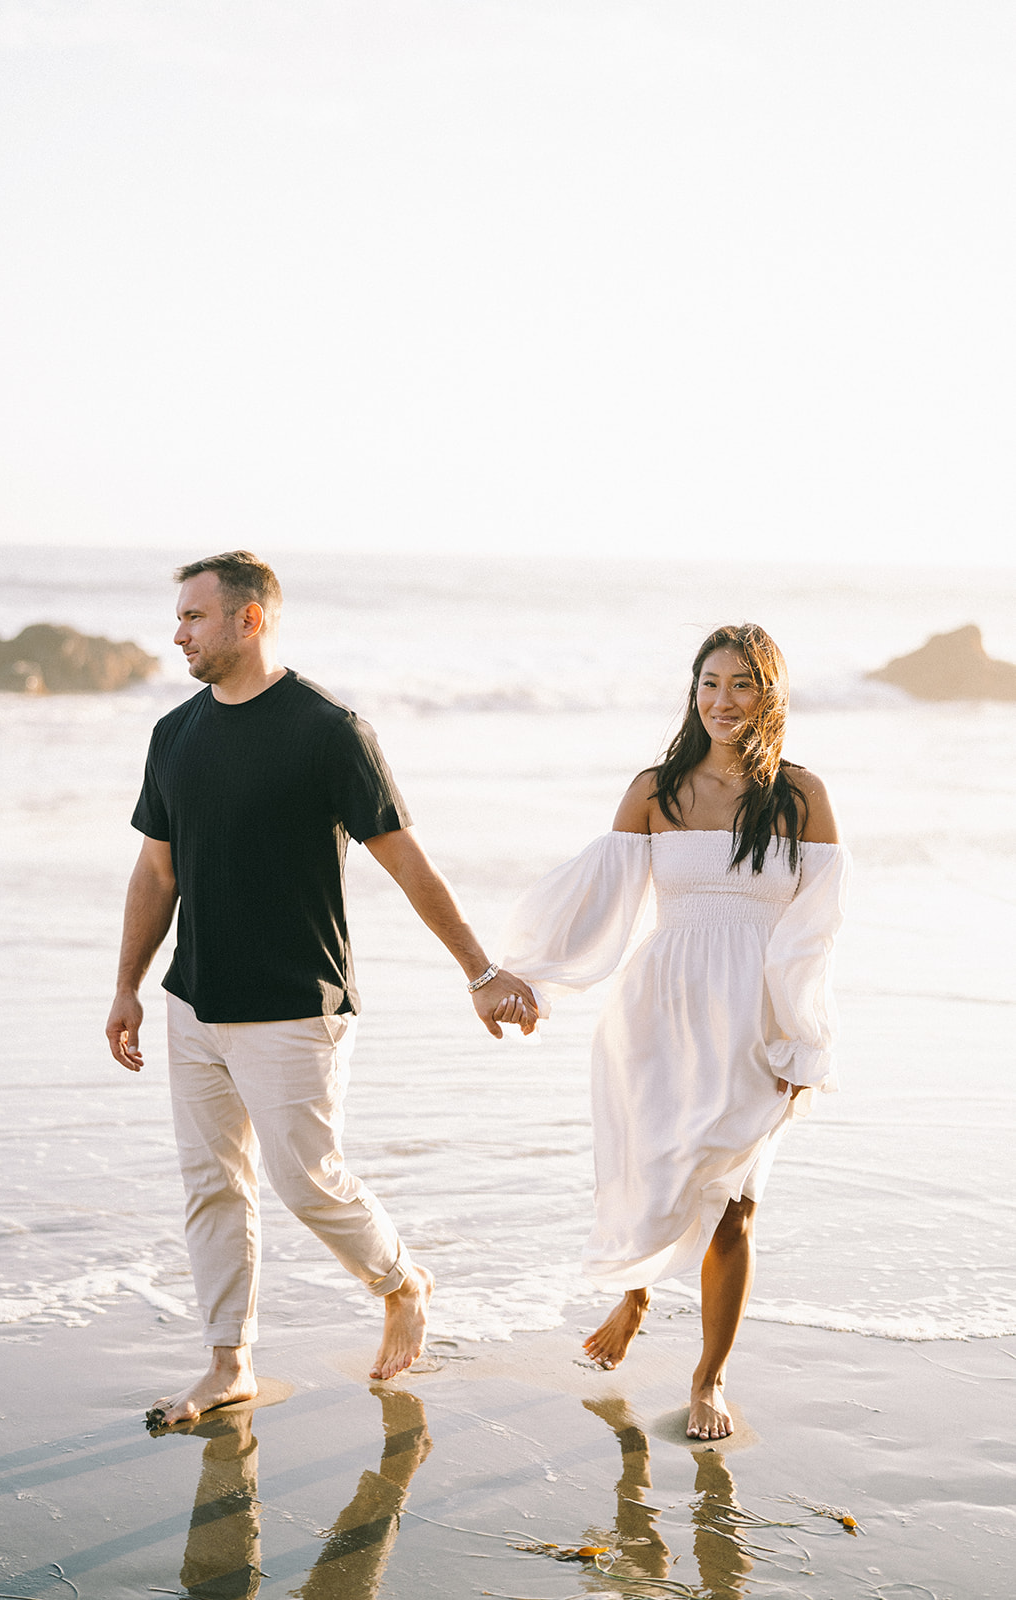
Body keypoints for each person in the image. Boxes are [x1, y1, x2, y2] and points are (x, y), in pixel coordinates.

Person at [105, 550, 536, 1424]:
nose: (177, 632)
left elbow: (405, 860)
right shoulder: (173, 735)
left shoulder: (329, 729)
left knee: (307, 1183)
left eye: (193, 616)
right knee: (212, 1185)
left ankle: (400, 1280)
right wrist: (128, 987)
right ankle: (228, 1363)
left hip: (297, 1007)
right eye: (178, 617)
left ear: (247, 619)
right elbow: (156, 874)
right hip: (194, 1003)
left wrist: (480, 972)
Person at [497, 623, 848, 1440]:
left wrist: (804, 1035)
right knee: (655, 1170)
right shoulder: (654, 789)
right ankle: (636, 1294)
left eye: (742, 685)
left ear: (770, 695)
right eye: (709, 684)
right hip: (658, 1011)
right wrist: (520, 975)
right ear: (693, 694)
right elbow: (596, 900)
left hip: (755, 1019)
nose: (723, 701)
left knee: (734, 1202)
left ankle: (708, 1380)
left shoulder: (800, 796)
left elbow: (815, 930)